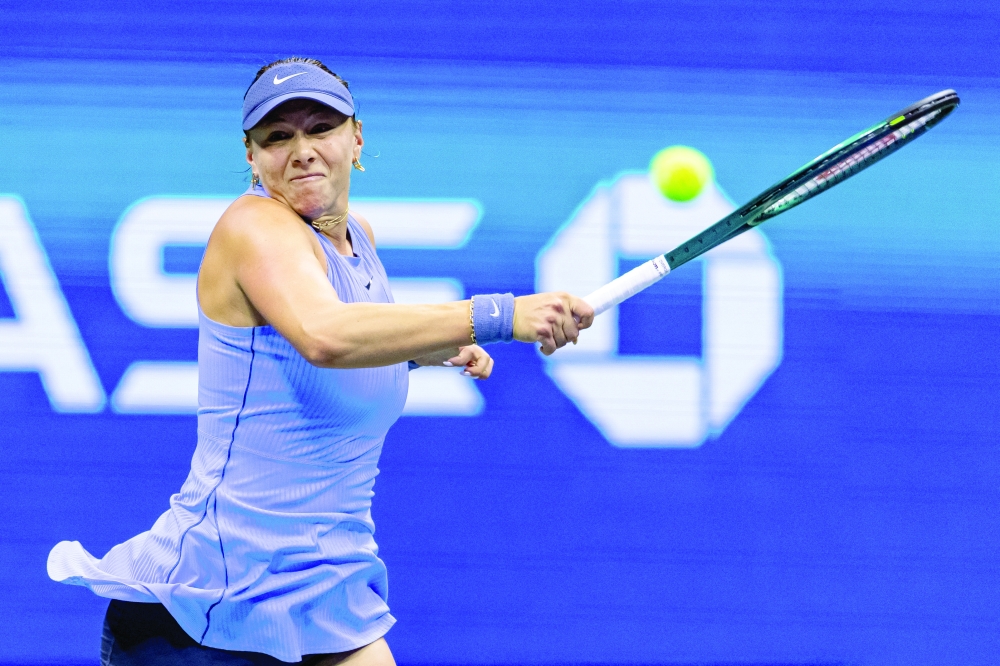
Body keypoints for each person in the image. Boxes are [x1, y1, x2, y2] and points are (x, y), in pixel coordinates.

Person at [47, 57, 594, 665]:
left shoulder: (357, 240)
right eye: (277, 137)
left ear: (356, 140)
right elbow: (323, 336)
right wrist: (498, 315)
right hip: (211, 606)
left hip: (326, 587)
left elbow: (320, 355)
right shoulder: (253, 225)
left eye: (320, 128)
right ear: (252, 158)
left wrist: (422, 350)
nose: (301, 150)